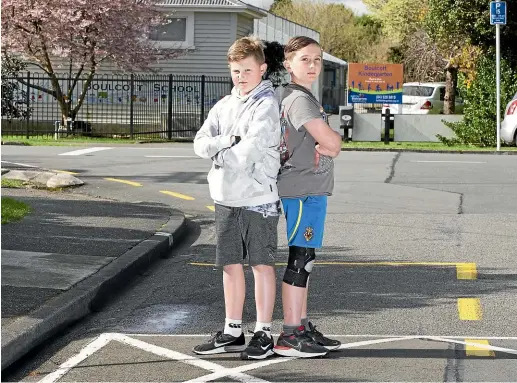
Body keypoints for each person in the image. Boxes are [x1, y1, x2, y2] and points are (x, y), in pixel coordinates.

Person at [192, 36, 281, 360]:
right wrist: (225, 142)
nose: (240, 76)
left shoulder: (267, 106)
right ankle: (233, 330)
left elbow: (249, 153)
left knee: (260, 264)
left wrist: (218, 153)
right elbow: (200, 142)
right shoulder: (224, 105)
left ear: (262, 68)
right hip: (226, 196)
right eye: (235, 70)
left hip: (258, 196)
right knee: (230, 265)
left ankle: (263, 331)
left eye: (246, 69)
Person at [273, 36, 343, 358]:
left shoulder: (301, 96)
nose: (312, 65)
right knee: (300, 258)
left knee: (307, 259)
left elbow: (327, 146)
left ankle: (300, 325)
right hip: (302, 190)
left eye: (317, 59)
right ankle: (289, 334)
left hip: (310, 189)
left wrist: (326, 146)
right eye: (305, 59)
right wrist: (330, 143)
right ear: (288, 64)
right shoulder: (299, 100)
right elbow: (332, 142)